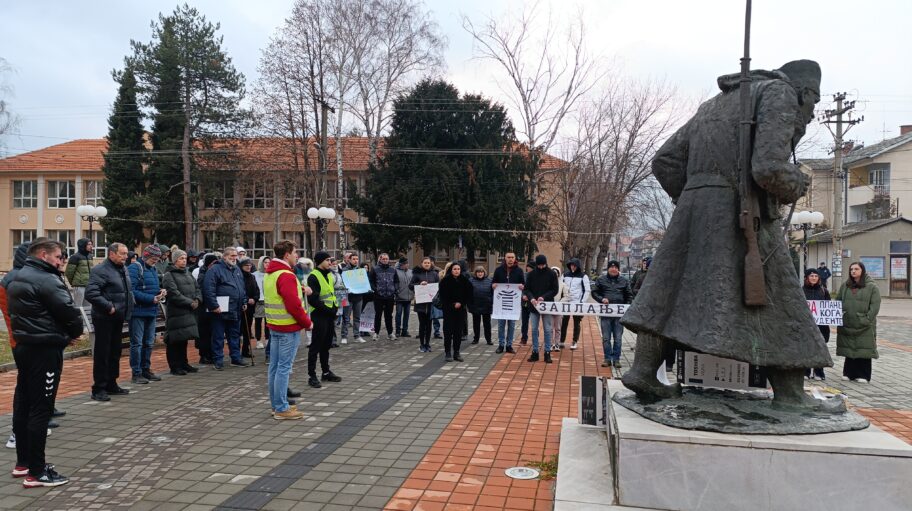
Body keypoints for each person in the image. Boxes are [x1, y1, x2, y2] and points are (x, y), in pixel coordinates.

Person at [620, 60, 838, 411]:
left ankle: (643, 370)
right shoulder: (779, 92)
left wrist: (695, 198)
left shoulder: (714, 104)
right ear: (804, 92)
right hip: (742, 213)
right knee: (780, 298)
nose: (812, 113)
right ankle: (792, 396)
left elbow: (665, 161)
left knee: (669, 290)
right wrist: (795, 181)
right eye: (814, 101)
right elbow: (767, 167)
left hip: (693, 213)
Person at [7, 239, 83, 488]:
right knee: (41, 409)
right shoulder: (46, 280)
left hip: (25, 346)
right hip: (44, 350)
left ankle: (23, 463)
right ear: (43, 255)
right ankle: (37, 472)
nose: (62, 261)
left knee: (24, 404)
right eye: (59, 256)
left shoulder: (16, 277)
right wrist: (73, 333)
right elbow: (68, 312)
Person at [264, 240, 313, 419]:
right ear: (286, 255)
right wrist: (307, 323)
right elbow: (293, 305)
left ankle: (276, 405)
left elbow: (281, 294)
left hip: (275, 326)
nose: (297, 256)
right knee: (283, 368)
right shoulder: (286, 275)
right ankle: (281, 408)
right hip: (288, 327)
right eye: (294, 253)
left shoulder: (271, 273)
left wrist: (300, 288)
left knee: (275, 368)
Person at [85, 242, 133, 401]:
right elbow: (91, 293)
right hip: (104, 318)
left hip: (118, 317)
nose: (125, 257)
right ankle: (99, 388)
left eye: (126, 253)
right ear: (111, 254)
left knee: (115, 352)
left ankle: (112, 383)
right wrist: (109, 307)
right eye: (122, 254)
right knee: (103, 353)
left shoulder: (123, 268)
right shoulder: (100, 270)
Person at [202, 248, 249, 370]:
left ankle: (236, 358)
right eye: (231, 256)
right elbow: (208, 289)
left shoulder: (237, 269)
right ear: (224, 257)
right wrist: (214, 305)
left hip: (235, 309)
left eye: (235, 256)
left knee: (234, 335)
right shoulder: (215, 270)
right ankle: (218, 360)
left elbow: (241, 288)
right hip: (220, 309)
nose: (234, 258)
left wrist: (244, 301)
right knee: (218, 336)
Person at [835, 261, 881, 383]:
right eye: (851, 269)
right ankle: (848, 373)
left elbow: (875, 306)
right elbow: (838, 301)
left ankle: (863, 375)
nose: (853, 271)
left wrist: (866, 319)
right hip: (848, 323)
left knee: (864, 349)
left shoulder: (872, 287)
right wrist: (839, 316)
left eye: (856, 269)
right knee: (849, 348)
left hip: (864, 325)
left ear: (862, 270)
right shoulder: (845, 286)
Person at [127, 245, 166, 384]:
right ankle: (136, 373)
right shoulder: (135, 268)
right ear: (146, 256)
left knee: (149, 343)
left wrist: (160, 291)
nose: (156, 261)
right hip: (138, 312)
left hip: (151, 311)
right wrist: (151, 298)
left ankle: (146, 369)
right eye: (153, 258)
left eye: (157, 258)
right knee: (137, 343)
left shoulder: (153, 269)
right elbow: (131, 290)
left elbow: (150, 287)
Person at [161, 249, 202, 376]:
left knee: (184, 338)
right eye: (181, 258)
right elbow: (174, 293)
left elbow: (197, 288)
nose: (184, 260)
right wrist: (190, 302)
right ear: (175, 260)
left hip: (189, 311)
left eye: (185, 258)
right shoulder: (169, 275)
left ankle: (184, 363)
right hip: (177, 312)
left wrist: (197, 299)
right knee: (175, 339)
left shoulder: (188, 273)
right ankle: (175, 366)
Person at [306, 251, 342, 388]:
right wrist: (328, 309)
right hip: (319, 315)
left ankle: (326, 372)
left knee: (326, 345)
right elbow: (313, 299)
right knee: (316, 346)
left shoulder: (329, 275)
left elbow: (331, 294)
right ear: (320, 261)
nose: (329, 262)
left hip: (329, 315)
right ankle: (312, 375)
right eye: (327, 260)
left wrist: (335, 308)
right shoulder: (313, 276)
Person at [592, 261, 632, 369]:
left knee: (618, 338)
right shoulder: (601, 280)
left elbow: (629, 295)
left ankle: (616, 359)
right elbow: (594, 292)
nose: (613, 269)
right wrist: (601, 299)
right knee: (606, 338)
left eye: (615, 267)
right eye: (611, 267)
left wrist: (626, 307)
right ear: (608, 268)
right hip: (605, 314)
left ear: (618, 269)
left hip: (619, 315)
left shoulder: (624, 281)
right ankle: (607, 359)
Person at [524, 255, 559, 363]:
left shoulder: (552, 274)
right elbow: (527, 289)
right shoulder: (531, 274)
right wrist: (531, 298)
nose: (541, 267)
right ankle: (535, 352)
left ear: (546, 263)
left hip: (546, 305)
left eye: (543, 265)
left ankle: (547, 352)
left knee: (547, 329)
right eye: (539, 265)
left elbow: (555, 290)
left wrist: (544, 297)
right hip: (534, 306)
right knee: (534, 329)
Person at [491, 252, 525, 354]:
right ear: (505, 258)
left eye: (512, 257)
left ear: (515, 258)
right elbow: (493, 282)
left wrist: (522, 286)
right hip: (501, 302)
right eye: (508, 257)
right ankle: (501, 345)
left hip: (513, 303)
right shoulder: (498, 270)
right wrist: (493, 285)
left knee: (512, 325)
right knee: (501, 325)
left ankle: (509, 345)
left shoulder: (519, 271)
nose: (510, 259)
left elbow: (523, 284)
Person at [439, 262, 473, 362]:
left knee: (458, 332)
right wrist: (452, 304)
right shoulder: (445, 281)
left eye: (458, 269)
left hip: (460, 310)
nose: (457, 271)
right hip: (448, 310)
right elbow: (443, 296)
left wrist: (461, 303)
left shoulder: (464, 280)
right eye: (454, 269)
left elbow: (469, 293)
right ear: (451, 270)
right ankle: (448, 352)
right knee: (448, 332)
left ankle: (457, 352)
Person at [803, 268, 830, 380]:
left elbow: (828, 307)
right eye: (811, 276)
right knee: (806, 348)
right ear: (807, 278)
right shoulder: (801, 291)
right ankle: (805, 371)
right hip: (806, 325)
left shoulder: (824, 291)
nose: (814, 278)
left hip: (821, 326)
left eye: (816, 276)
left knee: (820, 348)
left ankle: (819, 372)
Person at [409, 257, 440, 352]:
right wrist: (419, 284)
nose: (427, 264)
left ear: (431, 264)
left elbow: (438, 286)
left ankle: (428, 344)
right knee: (422, 324)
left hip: (431, 304)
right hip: (421, 304)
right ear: (422, 263)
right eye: (425, 263)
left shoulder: (434, 274)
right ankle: (422, 344)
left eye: (428, 263)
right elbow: (410, 285)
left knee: (429, 325)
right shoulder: (417, 273)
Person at [561, 258, 591, 351]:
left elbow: (587, 290)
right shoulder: (565, 275)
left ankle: (574, 341)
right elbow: (560, 287)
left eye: (574, 265)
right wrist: (561, 300)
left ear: (578, 266)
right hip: (566, 302)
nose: (572, 267)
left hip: (577, 303)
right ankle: (561, 341)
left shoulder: (583, 276)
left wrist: (582, 302)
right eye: (571, 265)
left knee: (576, 322)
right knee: (564, 322)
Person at [369, 253, 399, 341]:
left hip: (390, 295)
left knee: (389, 315)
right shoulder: (375, 269)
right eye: (383, 259)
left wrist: (395, 289)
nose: (385, 260)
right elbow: (371, 281)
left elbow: (396, 281)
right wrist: (375, 289)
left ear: (388, 260)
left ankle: (390, 333)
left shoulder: (393, 269)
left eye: (386, 259)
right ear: (380, 260)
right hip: (378, 296)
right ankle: (376, 333)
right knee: (378, 315)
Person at [195, 253, 219, 364]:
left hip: (212, 306)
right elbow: (201, 290)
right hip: (204, 307)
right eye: (213, 263)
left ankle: (210, 354)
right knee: (204, 332)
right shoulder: (203, 274)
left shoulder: (213, 273)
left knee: (211, 332)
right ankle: (204, 355)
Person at [340, 254, 368, 343]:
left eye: (357, 259)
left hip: (358, 297)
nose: (356, 261)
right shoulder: (344, 270)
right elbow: (342, 283)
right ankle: (344, 336)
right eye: (354, 259)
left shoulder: (360, 270)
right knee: (346, 318)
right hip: (347, 297)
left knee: (357, 317)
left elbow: (363, 282)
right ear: (349, 260)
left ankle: (357, 336)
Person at [239, 258, 259, 359]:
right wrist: (246, 299)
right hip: (241, 307)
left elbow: (257, 290)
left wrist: (254, 298)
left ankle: (245, 350)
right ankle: (236, 352)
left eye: (250, 265)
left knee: (247, 330)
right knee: (239, 330)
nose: (248, 267)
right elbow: (240, 290)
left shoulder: (252, 277)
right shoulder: (239, 277)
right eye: (246, 265)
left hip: (250, 307)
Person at [64, 238, 93, 307]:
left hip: (88, 285)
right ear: (83, 245)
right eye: (89, 244)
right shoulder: (75, 257)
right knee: (78, 306)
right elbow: (69, 272)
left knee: (88, 306)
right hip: (79, 286)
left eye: (91, 244)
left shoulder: (90, 256)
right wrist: (74, 283)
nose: (91, 246)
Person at [469, 266, 493, 345]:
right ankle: (476, 339)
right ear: (475, 273)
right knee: (476, 324)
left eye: (481, 272)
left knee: (487, 324)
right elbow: (468, 293)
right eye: (478, 272)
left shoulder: (489, 280)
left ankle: (488, 339)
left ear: (484, 272)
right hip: (475, 305)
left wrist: (491, 301)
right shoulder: (471, 281)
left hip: (487, 305)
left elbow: (493, 292)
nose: (480, 273)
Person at [253, 256, 271, 349]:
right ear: (261, 263)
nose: (267, 264)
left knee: (268, 322)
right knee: (258, 322)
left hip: (269, 301)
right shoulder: (254, 275)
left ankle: (267, 339)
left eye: (269, 262)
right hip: (258, 301)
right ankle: (258, 340)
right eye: (265, 262)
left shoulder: (271, 274)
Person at [394, 257, 413, 338]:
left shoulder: (411, 272)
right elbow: (394, 283)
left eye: (407, 263)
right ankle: (397, 331)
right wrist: (396, 291)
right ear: (401, 264)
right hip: (399, 297)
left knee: (407, 315)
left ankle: (405, 331)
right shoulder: (396, 272)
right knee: (398, 314)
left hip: (409, 297)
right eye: (405, 264)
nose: (407, 265)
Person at [428, 256, 443, 339]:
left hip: (435, 296)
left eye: (430, 262)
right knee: (425, 315)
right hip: (425, 296)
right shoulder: (422, 271)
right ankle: (424, 331)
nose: (429, 263)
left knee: (435, 315)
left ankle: (436, 332)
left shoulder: (438, 270)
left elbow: (441, 282)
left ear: (433, 262)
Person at [550, 266, 565, 349]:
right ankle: (550, 343)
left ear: (559, 274)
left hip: (559, 308)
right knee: (550, 328)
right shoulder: (547, 283)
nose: (555, 275)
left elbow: (567, 295)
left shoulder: (563, 284)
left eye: (556, 273)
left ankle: (557, 344)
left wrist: (560, 302)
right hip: (549, 308)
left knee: (558, 328)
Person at [520, 262, 534, 344]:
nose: (529, 269)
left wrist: (531, 297)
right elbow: (520, 288)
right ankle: (524, 337)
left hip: (533, 303)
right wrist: (522, 296)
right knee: (524, 322)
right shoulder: (523, 276)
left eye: (531, 268)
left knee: (534, 322)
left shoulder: (536, 276)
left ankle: (535, 338)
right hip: (524, 303)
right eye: (528, 267)